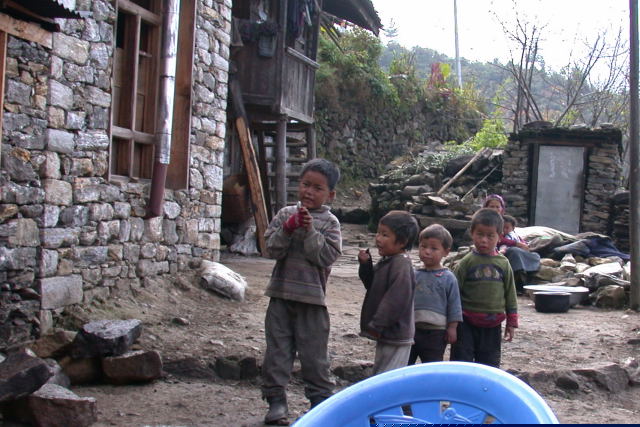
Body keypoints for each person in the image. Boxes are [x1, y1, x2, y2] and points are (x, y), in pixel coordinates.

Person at [261, 158, 342, 425]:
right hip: (281, 296)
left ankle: (321, 406)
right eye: (306, 184)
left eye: (318, 188)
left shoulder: (330, 223)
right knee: (277, 353)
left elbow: (326, 257)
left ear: (330, 195)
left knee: (315, 358)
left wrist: (309, 231)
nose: (309, 191)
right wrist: (288, 228)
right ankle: (276, 402)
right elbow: (271, 249)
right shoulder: (286, 214)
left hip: (312, 302)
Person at [450, 208, 518, 368]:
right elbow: (454, 294)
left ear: (499, 237)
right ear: (472, 233)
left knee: (489, 364)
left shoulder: (503, 264)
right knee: (462, 362)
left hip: (493, 324)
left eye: (490, 236)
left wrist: (511, 321)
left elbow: (510, 293)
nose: (484, 240)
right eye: (479, 234)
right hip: (466, 323)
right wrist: (451, 323)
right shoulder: (466, 262)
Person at [358, 210, 419, 375]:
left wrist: (378, 324)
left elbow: (396, 300)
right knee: (382, 371)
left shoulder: (401, 266)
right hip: (387, 332)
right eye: (378, 233)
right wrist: (365, 265)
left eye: (385, 235)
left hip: (397, 334)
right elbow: (372, 285)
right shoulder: (388, 261)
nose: (378, 238)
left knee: (389, 375)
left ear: (402, 242)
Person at [409, 224, 462, 364]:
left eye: (433, 248)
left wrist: (452, 328)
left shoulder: (448, 278)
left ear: (446, 252)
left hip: (436, 333)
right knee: (406, 364)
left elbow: (454, 304)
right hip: (412, 329)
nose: (427, 251)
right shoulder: (414, 274)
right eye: (423, 246)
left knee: (432, 364)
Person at [483, 194, 540, 295]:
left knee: (534, 255)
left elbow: (512, 235)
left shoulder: (504, 221)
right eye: (492, 206)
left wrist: (523, 244)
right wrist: (516, 244)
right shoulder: (483, 222)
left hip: (510, 249)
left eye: (497, 207)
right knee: (514, 252)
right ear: (486, 208)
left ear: (502, 209)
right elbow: (499, 239)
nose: (495, 209)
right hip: (496, 250)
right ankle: (518, 285)